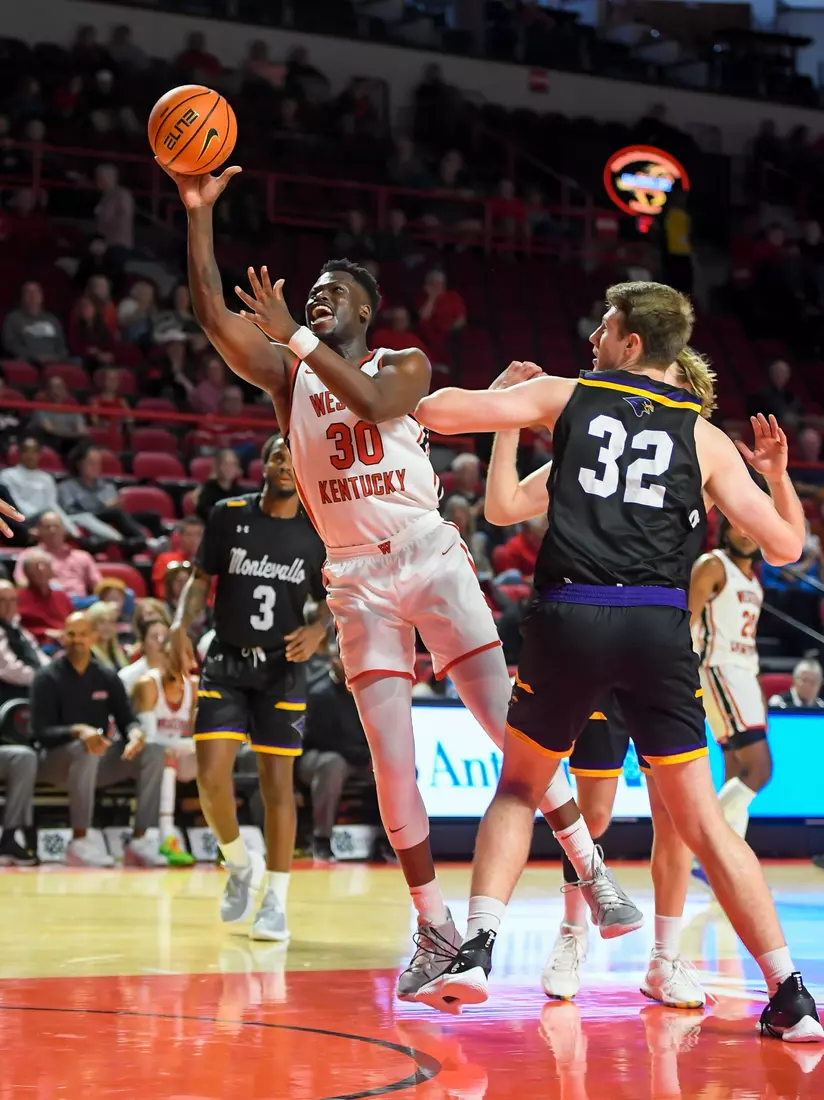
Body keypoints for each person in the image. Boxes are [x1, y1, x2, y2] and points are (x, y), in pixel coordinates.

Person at [164, 161, 642, 1002]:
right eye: (310, 293)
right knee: (393, 764)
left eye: (331, 294)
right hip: (353, 578)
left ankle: (593, 870)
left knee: (510, 731)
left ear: (362, 312)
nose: (316, 300)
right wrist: (198, 213)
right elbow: (211, 314)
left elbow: (381, 407)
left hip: (428, 555)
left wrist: (299, 336)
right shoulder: (289, 377)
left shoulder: (407, 363)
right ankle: (433, 927)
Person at [412, 280, 822, 1041]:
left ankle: (476, 950)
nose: (594, 336)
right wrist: (773, 474)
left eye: (604, 327)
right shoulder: (702, 438)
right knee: (702, 821)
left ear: (632, 344)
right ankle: (791, 993)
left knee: (519, 786)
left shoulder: (568, 394)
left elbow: (438, 411)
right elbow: (789, 547)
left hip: (572, 614)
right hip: (656, 629)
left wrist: (481, 398)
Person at [481, 358, 707, 1008]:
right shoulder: (587, 457)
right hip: (591, 633)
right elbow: (500, 507)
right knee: (597, 811)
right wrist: (509, 422)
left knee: (678, 815)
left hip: (662, 648)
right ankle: (573, 933)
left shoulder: (695, 461)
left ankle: (666, 958)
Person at [169, 434, 329, 940]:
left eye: (293, 456)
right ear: (262, 466)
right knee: (211, 776)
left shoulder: (318, 531)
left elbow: (339, 594)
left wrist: (319, 627)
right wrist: (178, 624)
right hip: (227, 660)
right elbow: (199, 580)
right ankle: (238, 863)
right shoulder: (227, 513)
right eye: (277, 454)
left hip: (282, 666)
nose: (286, 462)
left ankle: (276, 900)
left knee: (276, 784)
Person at [33, 612, 166, 867]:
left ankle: (139, 840)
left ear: (93, 637)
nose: (77, 640)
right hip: (55, 762)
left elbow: (127, 719)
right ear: (63, 638)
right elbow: (40, 733)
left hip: (98, 762)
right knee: (87, 748)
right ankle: (80, 841)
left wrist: (135, 733)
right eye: (71, 634)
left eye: (83, 634)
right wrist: (77, 730)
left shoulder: (105, 675)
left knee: (154, 750)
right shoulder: (47, 678)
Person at [690, 518, 771, 876]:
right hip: (718, 669)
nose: (746, 532)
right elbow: (687, 619)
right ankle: (705, 846)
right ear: (725, 529)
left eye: (752, 527)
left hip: (742, 673)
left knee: (738, 769)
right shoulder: (712, 564)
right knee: (760, 769)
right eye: (739, 525)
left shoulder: (754, 580)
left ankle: (721, 867)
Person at [298, 639, 372, 861]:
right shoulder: (320, 693)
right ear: (333, 661)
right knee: (332, 764)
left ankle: (392, 841)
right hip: (315, 757)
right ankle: (321, 840)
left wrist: (374, 757)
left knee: (399, 769)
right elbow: (323, 740)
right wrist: (363, 757)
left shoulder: (366, 691)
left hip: (358, 758)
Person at [130, 664, 197, 867]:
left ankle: (223, 839)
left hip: (180, 753)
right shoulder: (148, 684)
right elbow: (150, 738)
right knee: (164, 755)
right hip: (146, 756)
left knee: (217, 756)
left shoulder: (194, 686)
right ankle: (165, 834)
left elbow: (197, 736)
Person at [14, 511, 101, 600]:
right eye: (47, 527)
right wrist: (46, 586)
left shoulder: (83, 557)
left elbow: (98, 585)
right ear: (39, 530)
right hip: (46, 603)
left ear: (64, 530)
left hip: (81, 605)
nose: (53, 530)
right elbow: (21, 582)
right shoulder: (30, 555)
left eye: (56, 526)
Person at [120, 618, 169, 695]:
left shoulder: (179, 673)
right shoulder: (127, 677)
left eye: (165, 637)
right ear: (143, 644)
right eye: (154, 637)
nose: (161, 641)